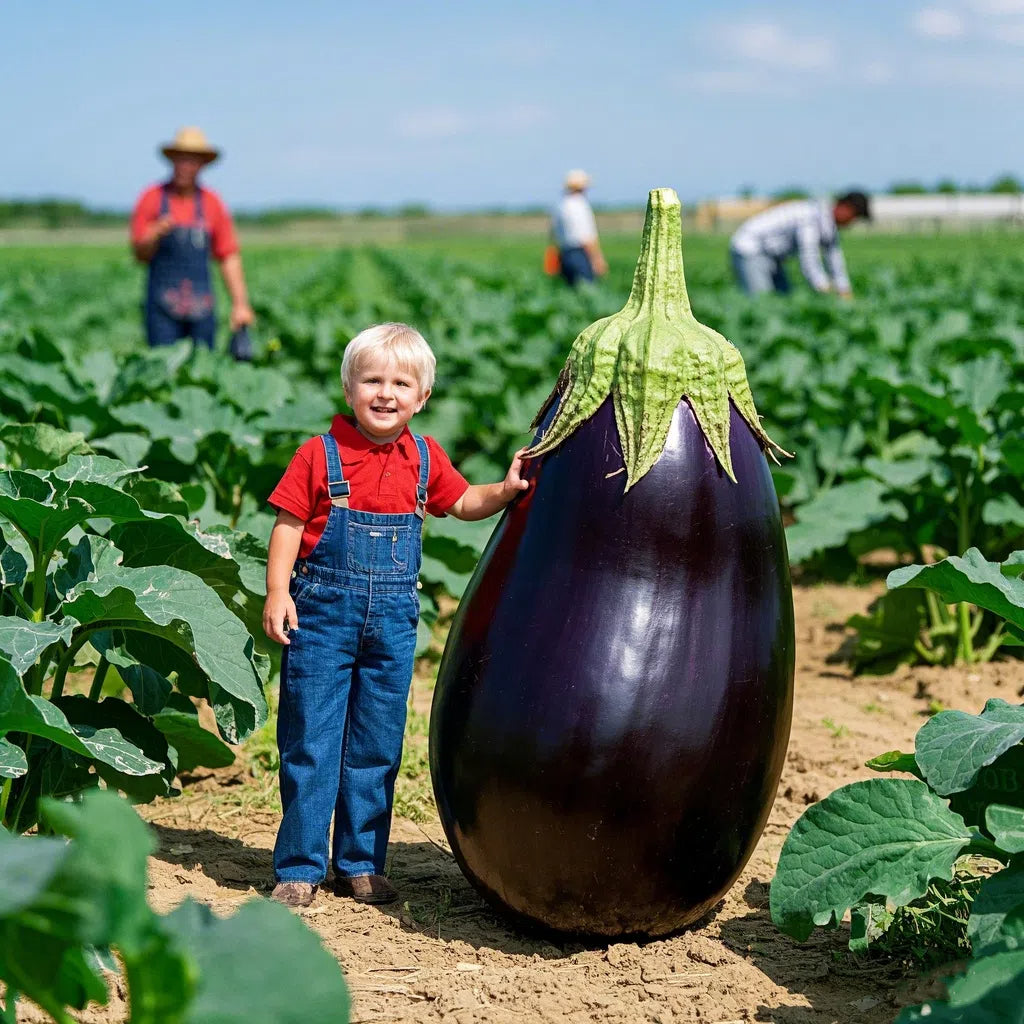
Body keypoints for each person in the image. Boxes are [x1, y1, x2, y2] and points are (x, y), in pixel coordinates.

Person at [263, 322, 529, 909]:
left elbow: (462, 503)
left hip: (391, 626)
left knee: (376, 745)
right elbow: (286, 524)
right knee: (311, 740)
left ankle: (360, 863)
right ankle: (301, 867)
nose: (386, 393)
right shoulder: (319, 454)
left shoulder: (425, 457)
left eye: (401, 383)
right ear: (349, 389)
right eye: (372, 381)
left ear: (422, 397)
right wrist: (278, 591)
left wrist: (505, 490)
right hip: (321, 620)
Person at [130, 126, 254, 348]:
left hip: (202, 307)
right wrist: (154, 233)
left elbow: (228, 256)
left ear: (202, 165)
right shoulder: (152, 198)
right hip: (162, 308)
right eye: (181, 159)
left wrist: (240, 304)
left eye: (192, 161)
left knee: (203, 368)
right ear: (173, 161)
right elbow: (140, 255)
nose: (185, 166)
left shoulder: (212, 202)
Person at [729, 191, 872, 297]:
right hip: (750, 249)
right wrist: (823, 288)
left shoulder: (829, 226)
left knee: (784, 298)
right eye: (854, 216)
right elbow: (809, 257)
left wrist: (844, 290)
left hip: (772, 256)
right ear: (844, 207)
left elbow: (834, 258)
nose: (852, 222)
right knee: (763, 300)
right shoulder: (811, 217)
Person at [550, 169, 608, 286]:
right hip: (580, 254)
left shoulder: (561, 205)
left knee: (571, 294)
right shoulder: (580, 205)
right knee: (586, 292)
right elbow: (586, 236)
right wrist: (597, 259)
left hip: (564, 254)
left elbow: (553, 234)